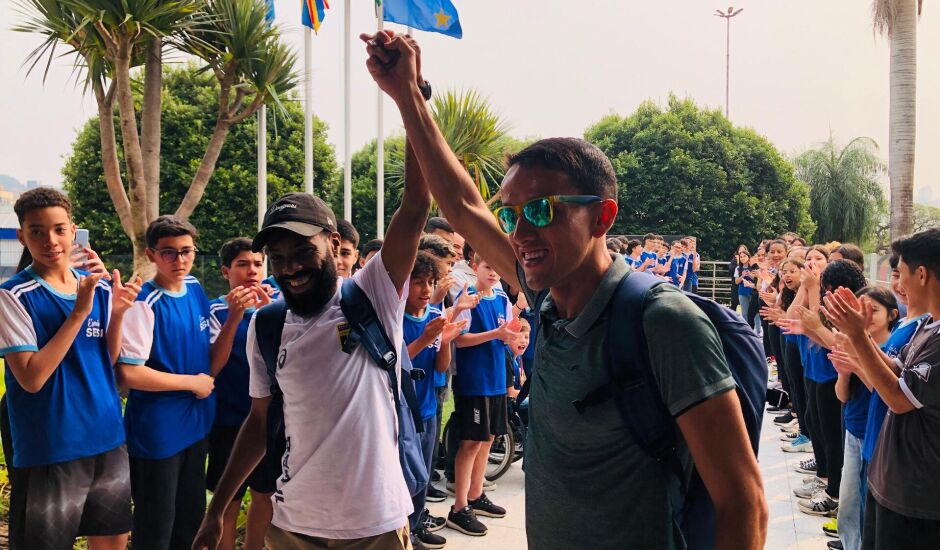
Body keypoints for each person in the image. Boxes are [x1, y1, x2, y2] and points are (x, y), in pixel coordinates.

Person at [363, 29, 767, 549]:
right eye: (510, 214)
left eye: (541, 210)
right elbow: (463, 206)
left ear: (602, 217)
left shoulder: (662, 322)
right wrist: (408, 95)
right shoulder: (548, 300)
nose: (519, 232)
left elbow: (745, 502)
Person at [193, 131, 432, 549]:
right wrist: (216, 510)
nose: (291, 267)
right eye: (279, 258)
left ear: (334, 243)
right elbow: (260, 420)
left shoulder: (371, 294)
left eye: (303, 250)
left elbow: (414, 207)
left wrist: (409, 97)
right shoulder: (265, 326)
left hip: (375, 525)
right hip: (293, 528)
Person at [0, 188, 139, 550]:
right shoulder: (14, 295)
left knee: (111, 541)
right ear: (21, 236)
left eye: (59, 229)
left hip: (107, 436)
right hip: (52, 444)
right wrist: (79, 312)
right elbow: (31, 378)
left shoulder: (96, 288)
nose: (51, 240)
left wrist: (118, 314)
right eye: (37, 231)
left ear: (73, 231)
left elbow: (105, 360)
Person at [823, 228, 940, 549]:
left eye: (900, 274)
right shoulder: (929, 327)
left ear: (921, 274)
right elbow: (897, 370)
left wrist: (858, 338)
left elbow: (899, 398)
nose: (897, 286)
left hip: (916, 498)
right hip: (891, 483)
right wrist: (857, 334)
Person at [118, 215, 217, 549]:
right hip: (158, 430)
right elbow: (129, 373)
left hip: (196, 424)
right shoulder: (143, 303)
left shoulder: (195, 288)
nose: (180, 260)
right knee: (156, 525)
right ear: (151, 255)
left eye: (186, 251)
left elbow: (207, 352)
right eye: (169, 253)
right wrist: (190, 382)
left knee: (189, 519)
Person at [205, 238, 276, 550]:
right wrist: (235, 317)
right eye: (243, 264)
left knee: (265, 496)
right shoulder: (216, 310)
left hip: (270, 422)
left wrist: (269, 315)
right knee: (228, 501)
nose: (252, 271)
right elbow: (211, 367)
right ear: (226, 271)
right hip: (228, 421)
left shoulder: (278, 308)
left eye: (258, 264)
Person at [448, 253, 518, 536]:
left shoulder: (502, 299)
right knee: (471, 442)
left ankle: (476, 494)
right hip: (474, 380)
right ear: (475, 268)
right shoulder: (468, 298)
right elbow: (460, 340)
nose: (493, 273)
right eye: (488, 267)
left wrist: (511, 337)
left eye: (497, 268)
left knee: (488, 438)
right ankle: (459, 506)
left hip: (496, 379)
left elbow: (508, 334)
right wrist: (495, 334)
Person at [403, 251, 468, 549]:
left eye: (430, 282)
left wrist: (447, 338)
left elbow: (441, 367)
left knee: (423, 475)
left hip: (428, 409)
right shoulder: (393, 320)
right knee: (404, 475)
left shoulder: (434, 317)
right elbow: (395, 363)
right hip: (401, 414)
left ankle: (415, 527)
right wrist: (427, 338)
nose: (426, 289)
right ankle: (400, 530)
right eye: (418, 282)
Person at [832, 287, 897, 550]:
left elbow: (886, 393)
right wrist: (844, 372)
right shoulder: (853, 342)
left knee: (864, 502)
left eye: (874, 310)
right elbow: (842, 395)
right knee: (847, 500)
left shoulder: (892, 348)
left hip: (877, 437)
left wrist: (858, 364)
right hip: (853, 429)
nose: (865, 315)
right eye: (861, 309)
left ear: (892, 315)